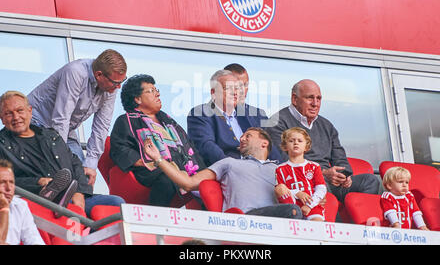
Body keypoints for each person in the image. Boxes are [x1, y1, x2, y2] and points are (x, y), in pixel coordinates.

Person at [0, 91, 124, 218]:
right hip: (36, 198)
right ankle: (57, 201)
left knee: (116, 203)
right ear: (2, 118)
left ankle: (90, 231)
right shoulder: (2, 145)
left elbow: (75, 163)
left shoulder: (50, 135)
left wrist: (80, 193)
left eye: (20, 110)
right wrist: (38, 182)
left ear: (30, 111)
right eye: (8, 113)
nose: (16, 117)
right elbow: (4, 182)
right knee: (68, 208)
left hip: (72, 194)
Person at [143, 126, 302, 219]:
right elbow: (188, 183)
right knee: (293, 212)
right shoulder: (229, 163)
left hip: (279, 219)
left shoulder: (281, 170)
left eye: (248, 136)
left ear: (264, 143)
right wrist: (158, 159)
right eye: (242, 136)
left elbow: (303, 192)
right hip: (244, 219)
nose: (242, 139)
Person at [266, 79, 379, 202]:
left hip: (331, 181)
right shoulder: (276, 122)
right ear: (294, 99)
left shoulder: (326, 125)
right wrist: (323, 173)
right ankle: (332, 221)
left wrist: (344, 175)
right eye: (310, 98)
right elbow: (284, 160)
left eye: (319, 99)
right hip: (300, 181)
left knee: (369, 180)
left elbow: (340, 158)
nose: (315, 103)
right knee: (320, 183)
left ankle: (364, 220)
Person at [27, 49, 127, 185]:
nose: (119, 87)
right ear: (99, 75)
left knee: (81, 177)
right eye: (116, 82)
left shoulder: (110, 86)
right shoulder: (76, 72)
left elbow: (102, 126)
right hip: (37, 122)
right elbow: (61, 117)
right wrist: (60, 159)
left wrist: (91, 164)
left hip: (65, 130)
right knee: (58, 171)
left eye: (122, 81)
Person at [110, 74, 206, 207]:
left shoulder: (169, 121)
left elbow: (190, 148)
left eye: (157, 91)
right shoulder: (127, 120)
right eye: (151, 91)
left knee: (208, 181)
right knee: (166, 179)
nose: (157, 95)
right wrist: (148, 162)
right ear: (137, 99)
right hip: (150, 171)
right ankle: (156, 221)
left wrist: (202, 171)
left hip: (182, 170)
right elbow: (119, 149)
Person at [187, 69, 280, 166]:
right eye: (228, 88)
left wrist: (281, 171)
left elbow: (270, 148)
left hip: (260, 172)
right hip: (224, 173)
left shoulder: (254, 115)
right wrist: (234, 169)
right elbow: (207, 147)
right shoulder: (201, 113)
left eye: (236, 88)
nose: (234, 93)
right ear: (213, 92)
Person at [275, 128, 326, 221]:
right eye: (291, 141)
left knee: (317, 224)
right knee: (279, 187)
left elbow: (321, 189)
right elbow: (280, 191)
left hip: (312, 206)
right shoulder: (280, 169)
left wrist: (309, 206)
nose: (296, 143)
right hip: (292, 205)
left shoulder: (314, 166)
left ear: (306, 147)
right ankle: (293, 216)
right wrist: (297, 193)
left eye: (300, 141)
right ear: (285, 146)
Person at [0, 159, 45, 245]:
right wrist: (4, 209)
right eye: (2, 182)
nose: (8, 188)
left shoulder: (20, 205)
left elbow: (34, 240)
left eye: (11, 182)